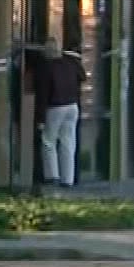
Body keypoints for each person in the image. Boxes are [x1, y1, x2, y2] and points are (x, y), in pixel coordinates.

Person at [31, 38, 86, 187]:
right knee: (68, 142)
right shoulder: (71, 62)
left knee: (48, 141)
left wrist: (40, 119)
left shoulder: (46, 68)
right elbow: (83, 76)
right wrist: (72, 56)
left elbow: (42, 94)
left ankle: (52, 176)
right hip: (72, 106)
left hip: (55, 107)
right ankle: (68, 179)